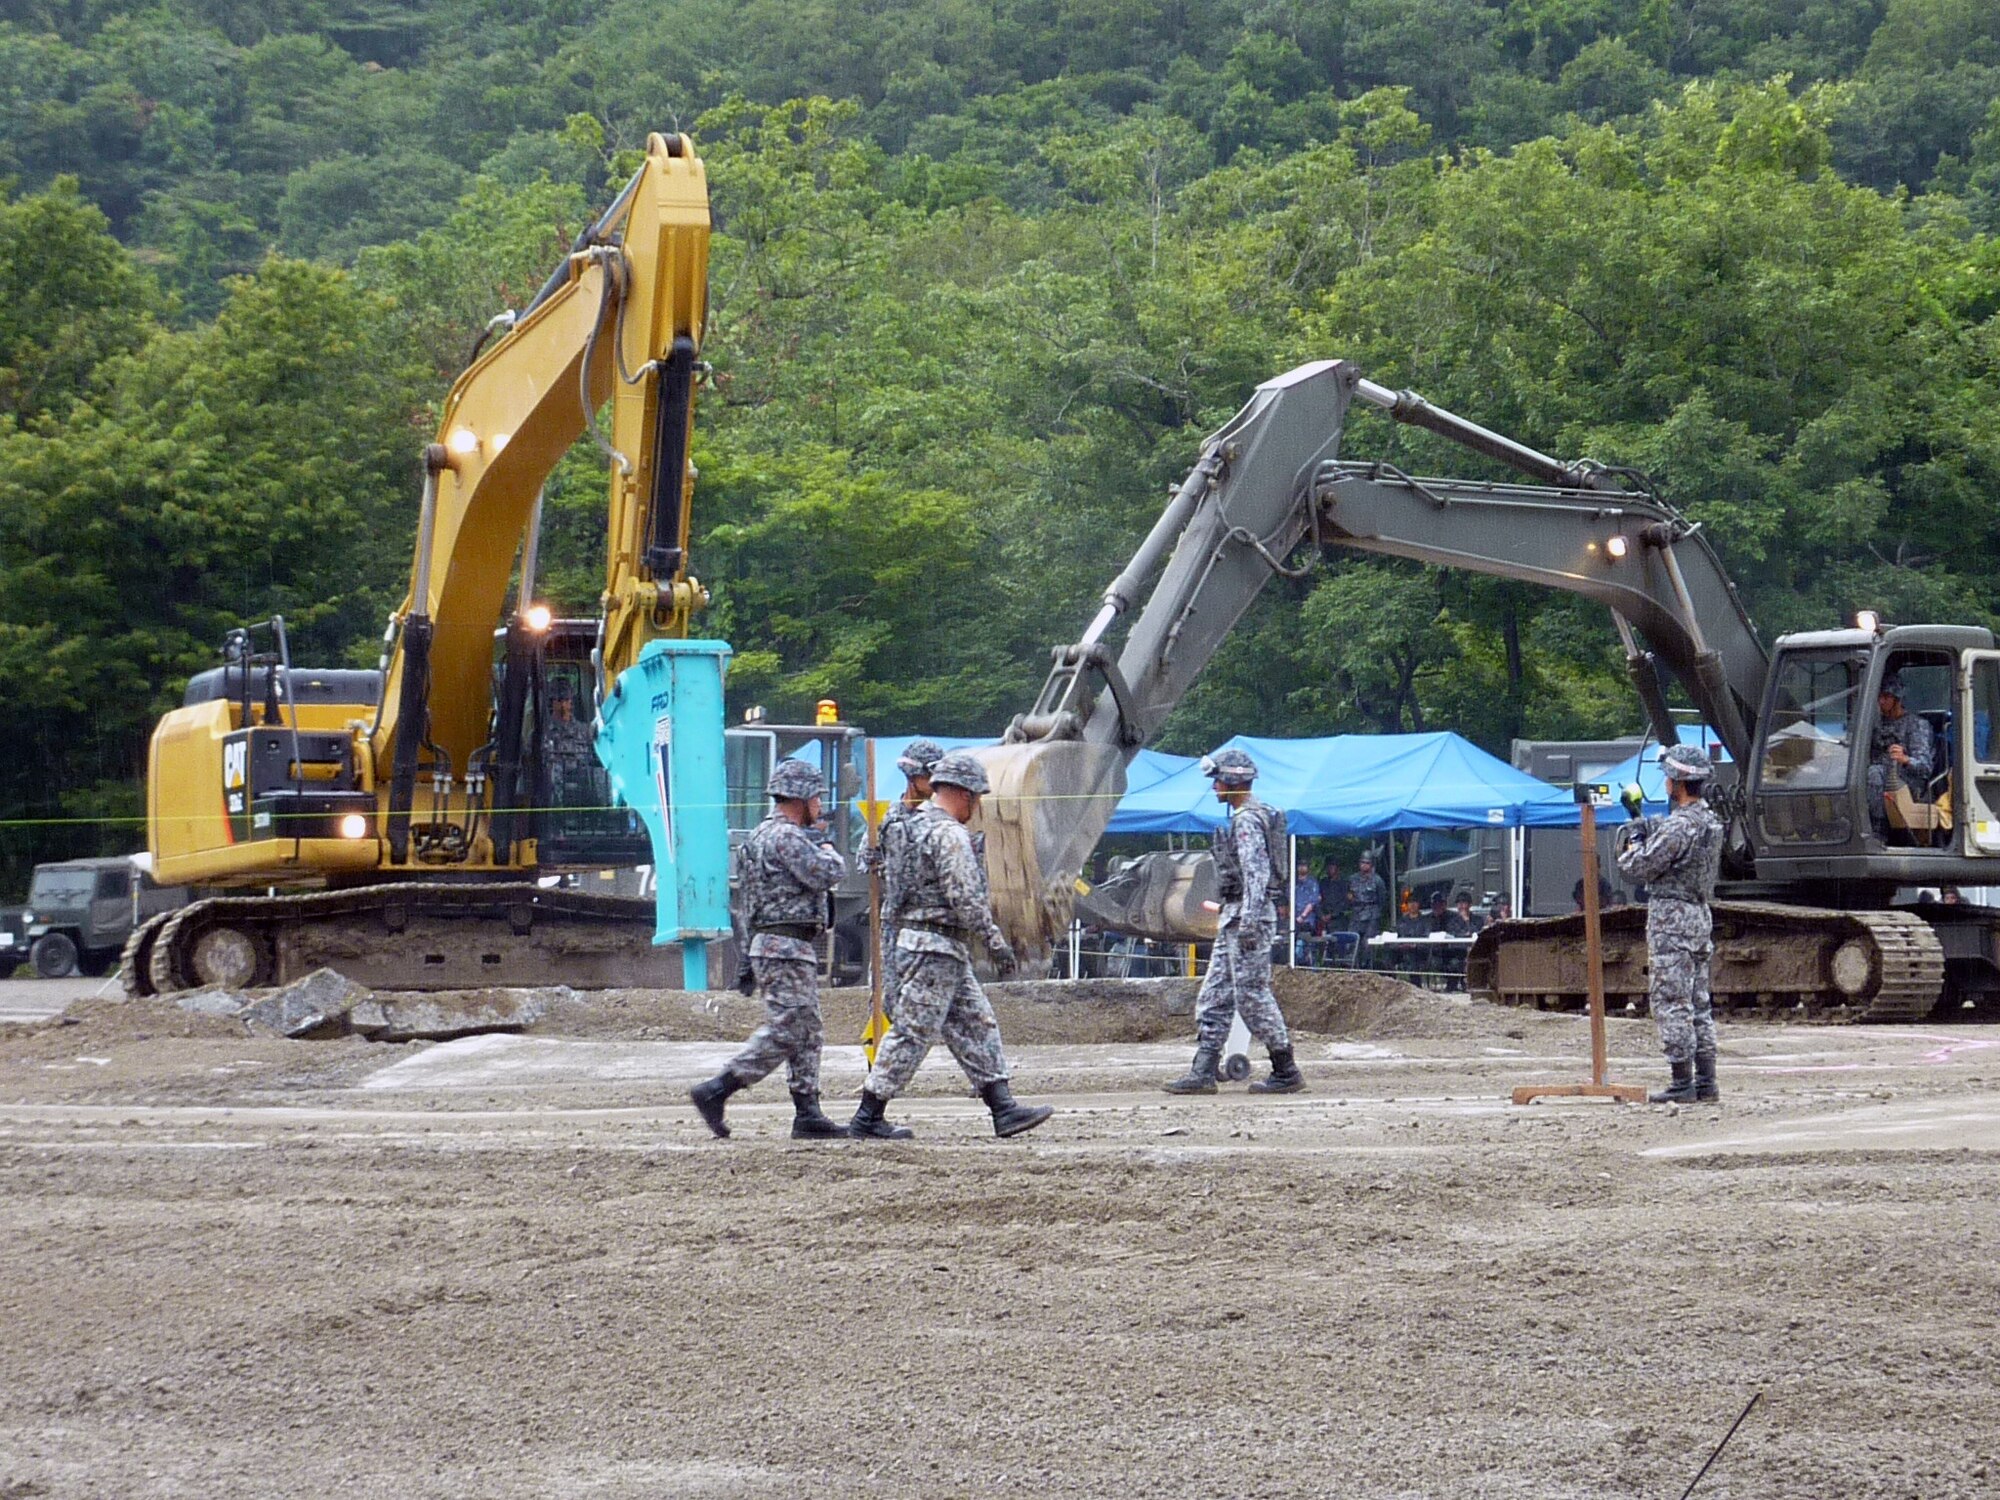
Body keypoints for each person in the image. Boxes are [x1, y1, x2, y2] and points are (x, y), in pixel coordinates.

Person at [849, 752, 1052, 1140]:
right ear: (961, 793)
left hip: (928, 944)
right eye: (975, 797)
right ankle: (868, 1115)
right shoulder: (948, 834)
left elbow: (884, 879)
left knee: (977, 1023)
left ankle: (1003, 1106)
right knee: (912, 1031)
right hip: (935, 947)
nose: (976, 807)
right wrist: (995, 943)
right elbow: (965, 897)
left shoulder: (904, 827)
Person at [691, 759, 849, 1140]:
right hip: (786, 946)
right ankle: (718, 1088)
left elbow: (750, 904)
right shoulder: (787, 838)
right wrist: (827, 845)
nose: (819, 805)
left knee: (807, 1029)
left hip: (777, 944)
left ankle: (808, 1111)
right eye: (815, 797)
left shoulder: (756, 839)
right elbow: (829, 873)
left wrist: (747, 957)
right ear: (799, 798)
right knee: (788, 1028)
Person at [1163, 749, 1304, 1095]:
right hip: (1236, 918)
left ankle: (1286, 1069)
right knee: (1214, 996)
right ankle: (1203, 1070)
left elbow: (1257, 874)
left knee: (1252, 996)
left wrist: (1251, 923)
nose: (1214, 788)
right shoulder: (1249, 816)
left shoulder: (1246, 820)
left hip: (1246, 919)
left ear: (1233, 782)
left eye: (1218, 781)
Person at [1615, 743, 1725, 1105]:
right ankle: (1706, 1081)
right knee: (1698, 1002)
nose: (1664, 781)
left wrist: (1632, 840)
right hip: (1698, 915)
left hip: (1672, 919)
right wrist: (1642, 822)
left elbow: (1637, 867)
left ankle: (1681, 1083)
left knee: (1671, 1001)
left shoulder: (1680, 827)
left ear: (1677, 780)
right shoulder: (1710, 821)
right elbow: (1667, 834)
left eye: (1667, 776)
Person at [859, 738, 944, 1019]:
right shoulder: (887, 817)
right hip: (894, 921)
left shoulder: (940, 818)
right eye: (928, 775)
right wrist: (878, 862)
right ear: (913, 776)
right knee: (887, 998)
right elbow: (865, 859)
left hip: (931, 922)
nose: (933, 782)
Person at [1868, 672, 1935, 839]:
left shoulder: (1917, 725)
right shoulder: (1874, 725)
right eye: (1879, 697)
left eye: (1886, 697)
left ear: (1897, 698)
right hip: (1879, 780)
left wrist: (1905, 759)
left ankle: (1878, 831)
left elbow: (1925, 767)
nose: (1881, 701)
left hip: (1909, 783)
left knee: (1875, 773)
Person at [1347, 853, 1386, 960]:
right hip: (1356, 913)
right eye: (1362, 862)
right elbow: (1348, 896)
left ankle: (1367, 967)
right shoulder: (1352, 879)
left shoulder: (1377, 880)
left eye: (1367, 863)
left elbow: (1382, 900)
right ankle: (1352, 965)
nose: (1364, 865)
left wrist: (1376, 914)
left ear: (1371, 865)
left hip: (1372, 913)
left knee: (1367, 943)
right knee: (1351, 941)